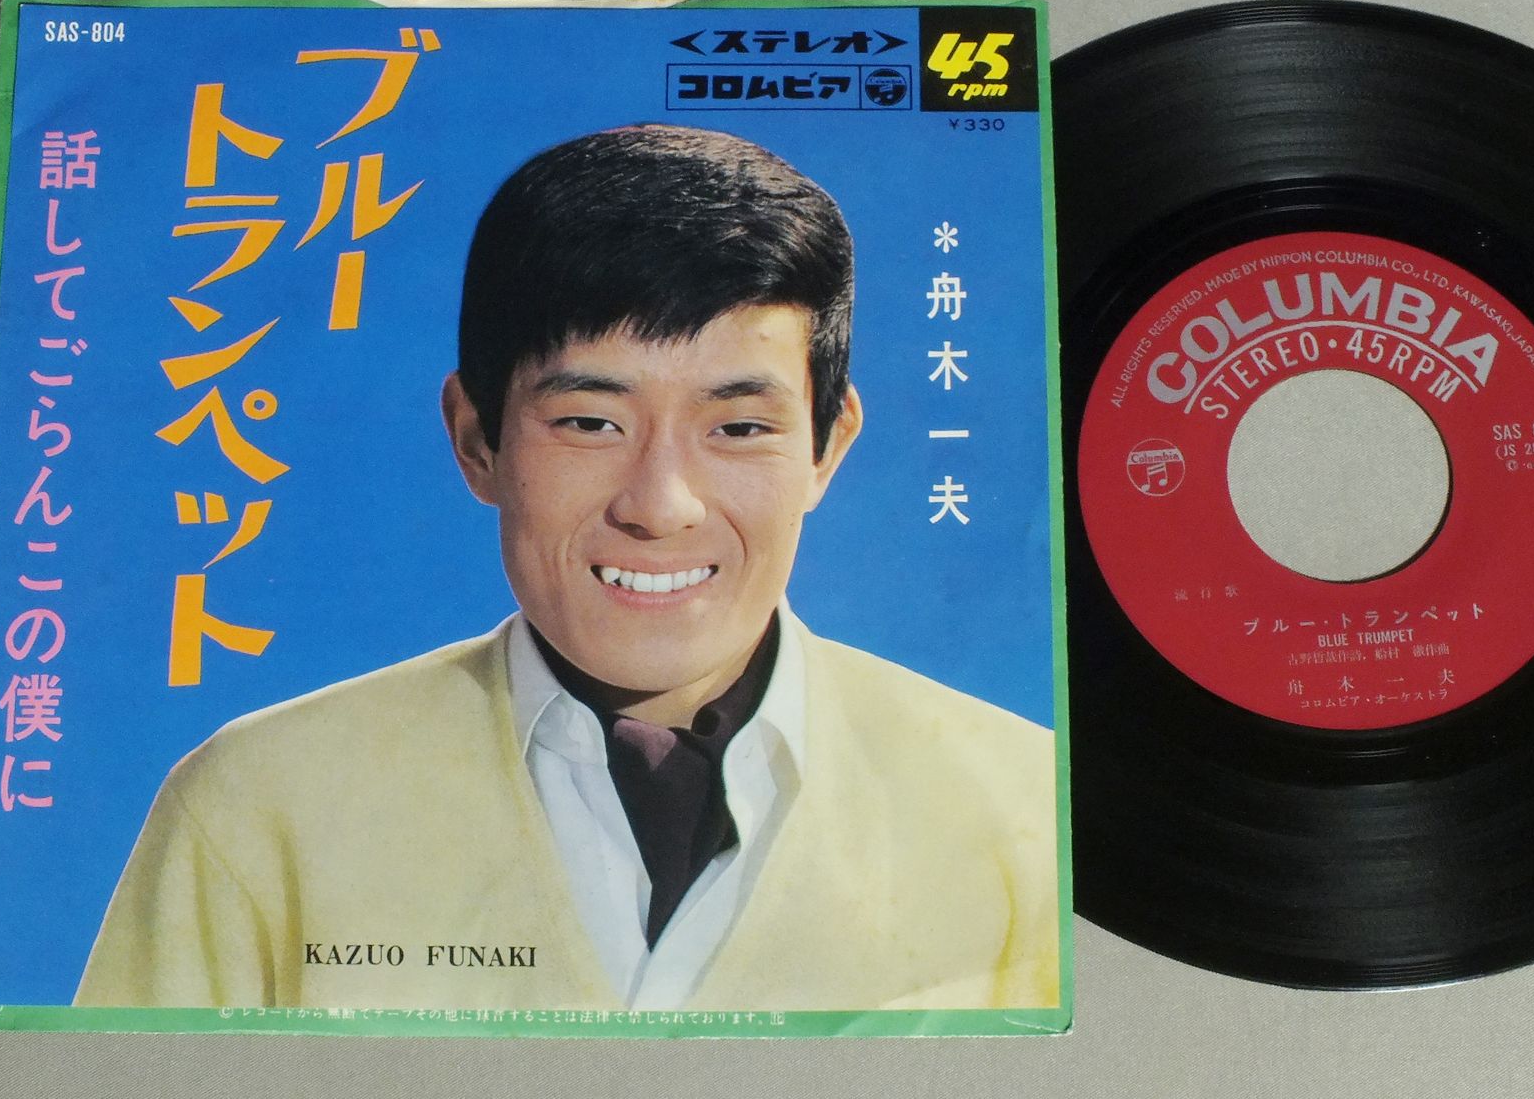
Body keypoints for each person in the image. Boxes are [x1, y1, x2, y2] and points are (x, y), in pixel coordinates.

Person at [75, 124, 1058, 1012]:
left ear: (827, 447)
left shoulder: (1025, 809)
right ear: (476, 440)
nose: (660, 504)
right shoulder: (257, 804)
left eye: (738, 427)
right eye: (590, 421)